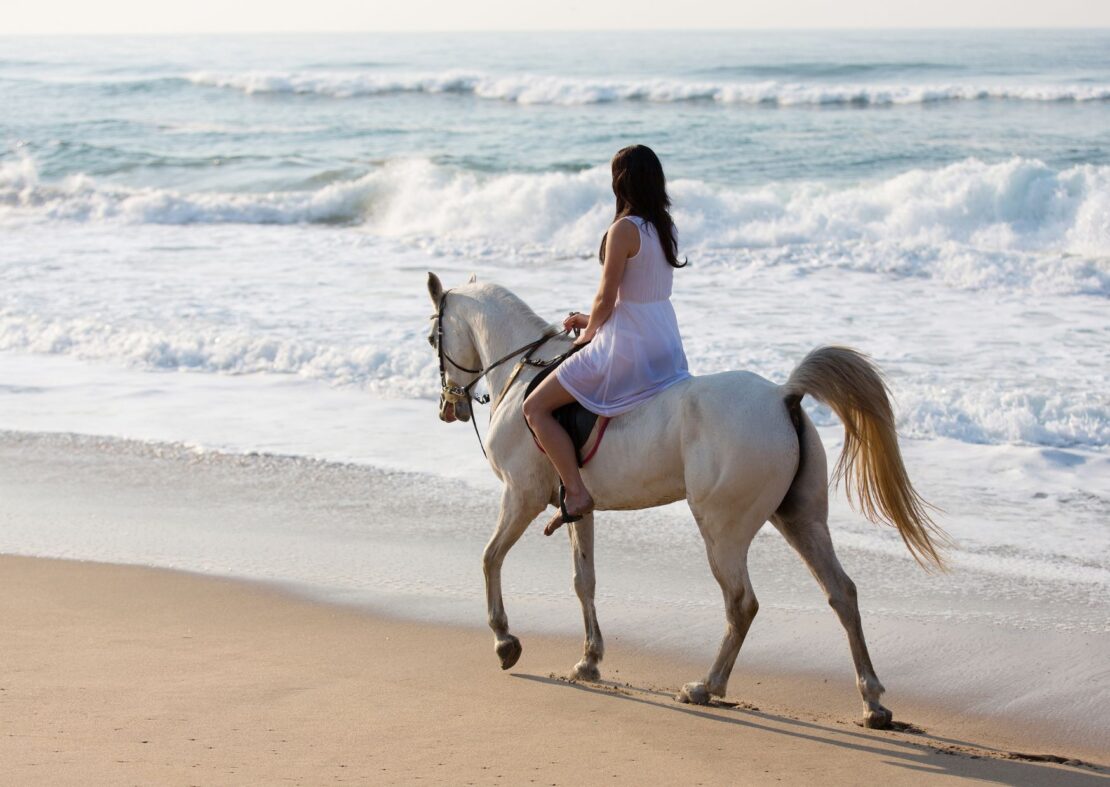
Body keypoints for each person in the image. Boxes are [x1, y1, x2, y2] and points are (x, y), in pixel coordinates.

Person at [523, 144, 691, 534]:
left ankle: (577, 491)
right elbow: (637, 295)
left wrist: (590, 333)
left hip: (627, 344)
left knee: (535, 407)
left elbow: (606, 296)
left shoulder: (623, 229)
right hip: (663, 340)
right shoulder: (664, 226)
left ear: (621, 182)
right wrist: (589, 318)